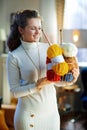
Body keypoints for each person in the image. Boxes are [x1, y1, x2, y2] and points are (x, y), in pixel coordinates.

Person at [6, 9, 79, 130]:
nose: (37, 32)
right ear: (21, 30)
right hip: (29, 118)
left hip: (52, 115)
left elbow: (55, 80)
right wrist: (37, 85)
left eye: (39, 28)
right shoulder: (14, 56)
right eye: (33, 28)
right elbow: (15, 91)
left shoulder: (50, 49)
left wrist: (68, 79)